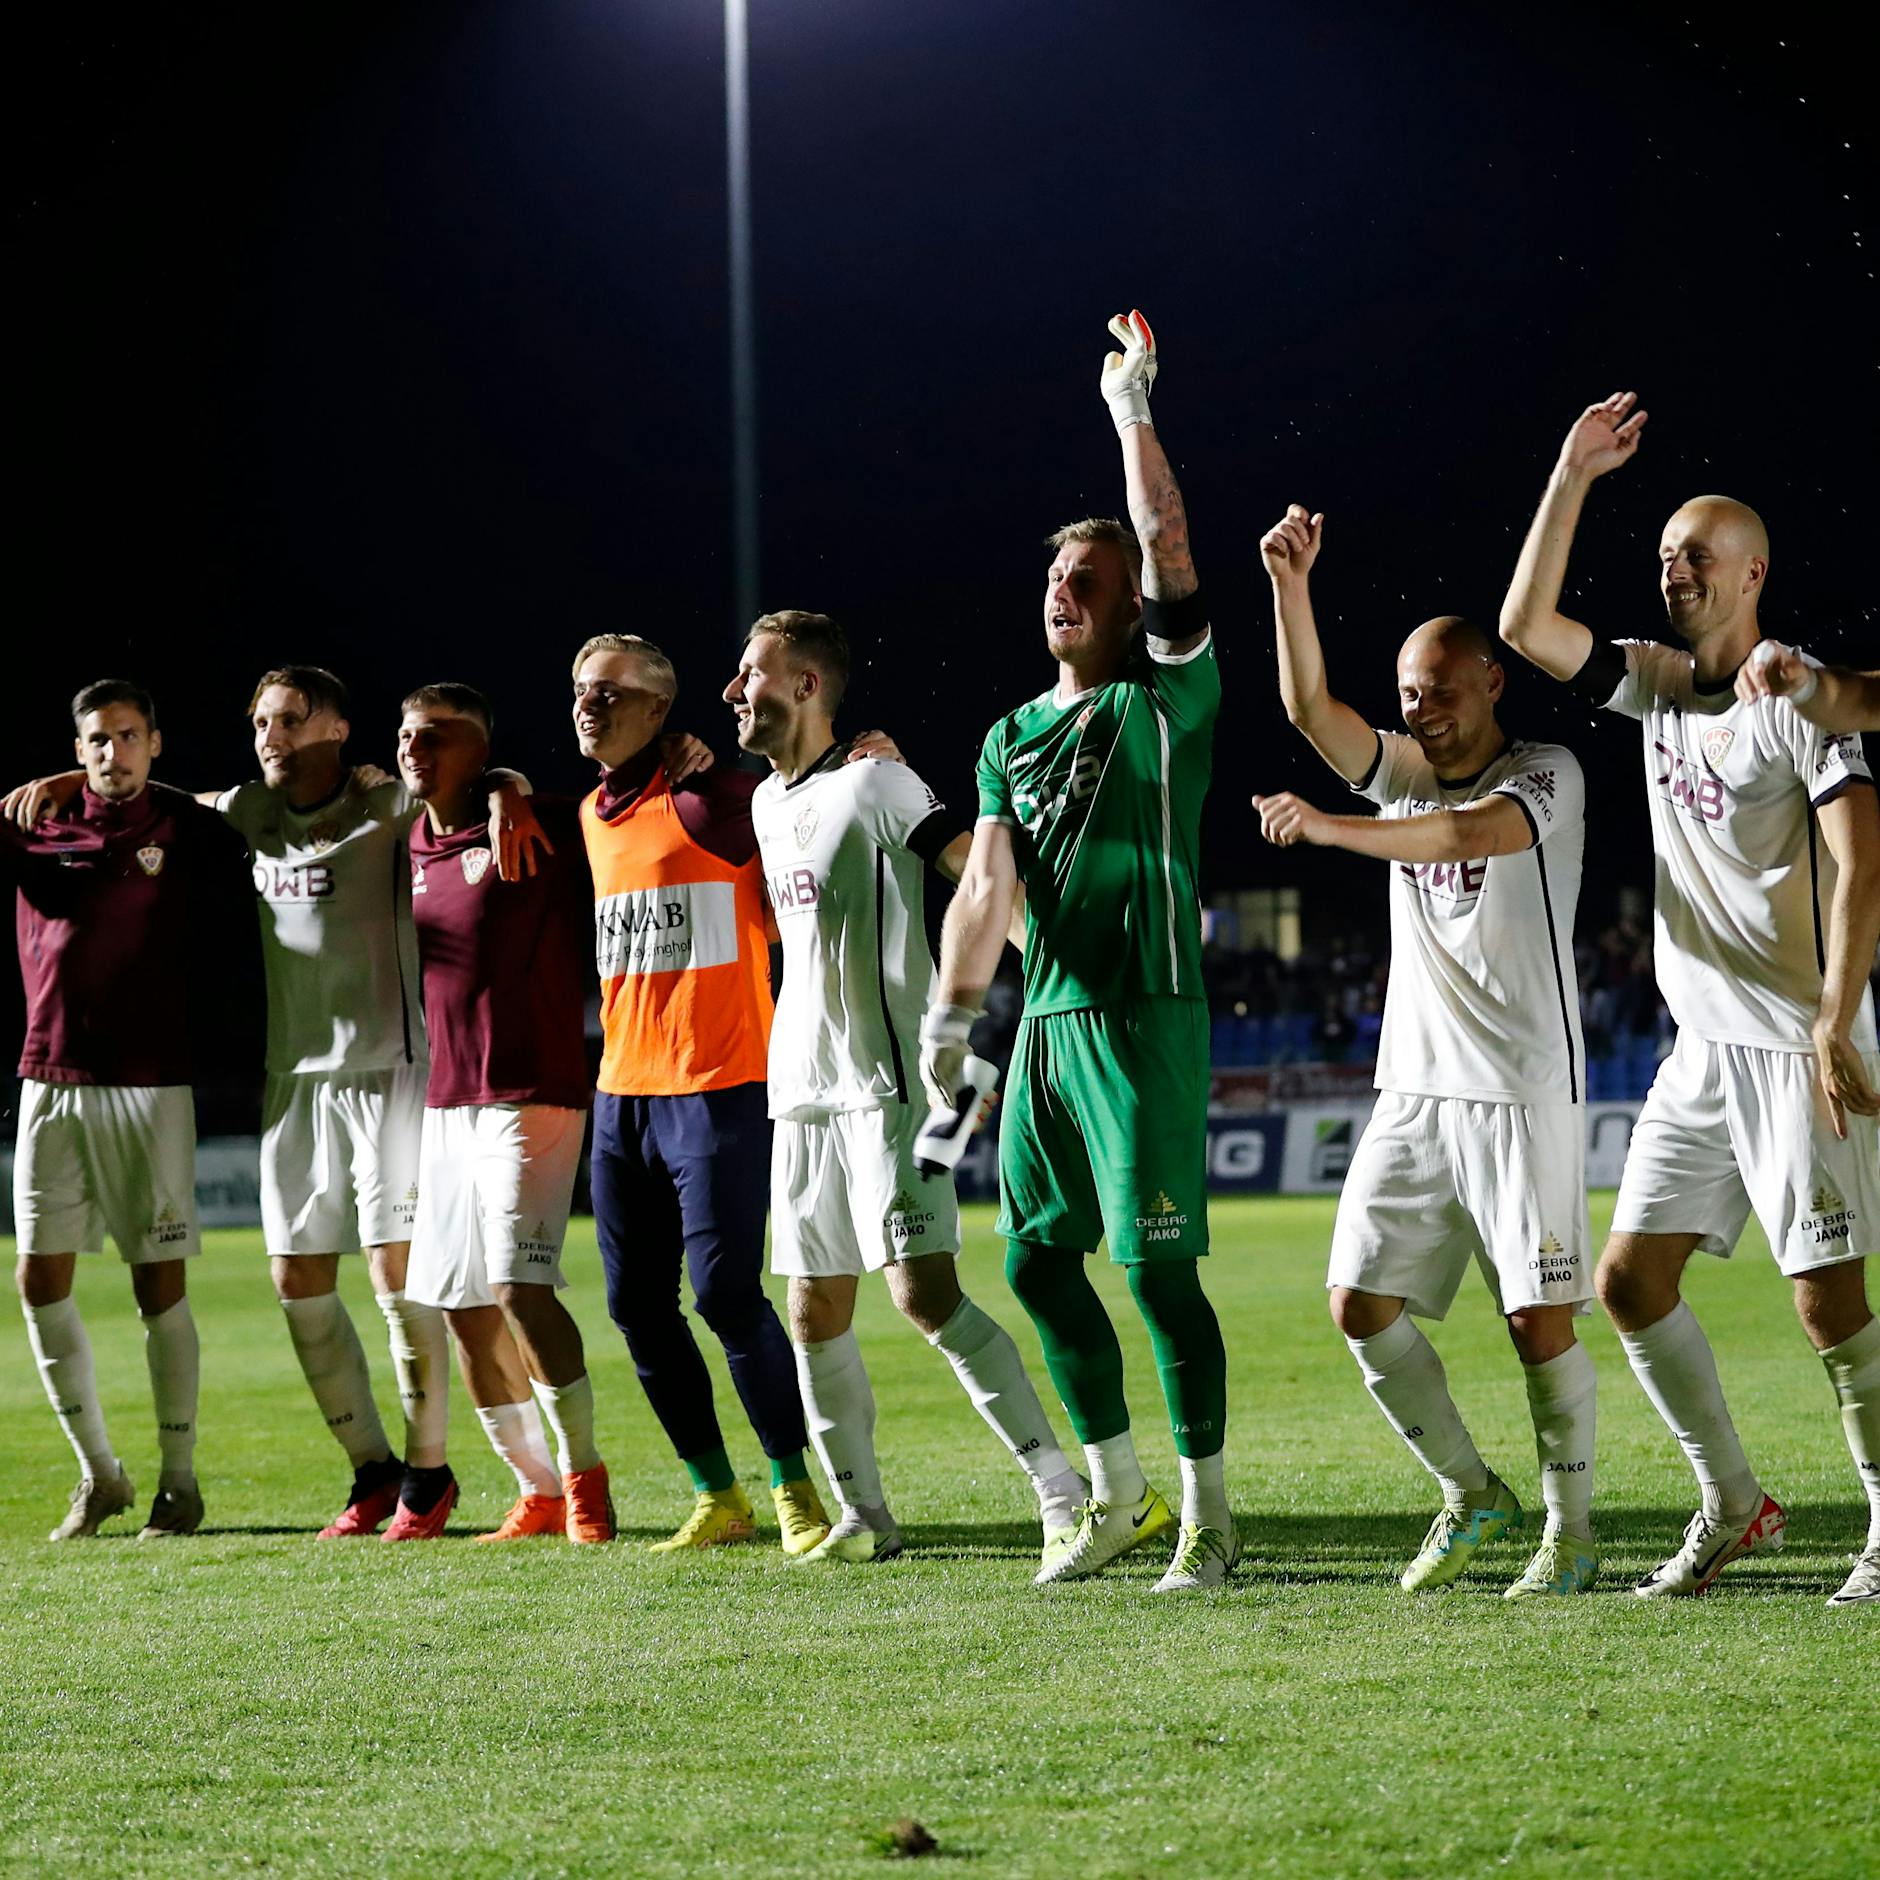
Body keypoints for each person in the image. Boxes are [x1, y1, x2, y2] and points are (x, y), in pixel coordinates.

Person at [5, 664, 546, 1535]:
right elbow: (147, 791)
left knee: (395, 1277)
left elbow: (471, 782)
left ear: (337, 730)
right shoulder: (248, 811)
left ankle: (428, 1474)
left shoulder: (387, 804)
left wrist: (510, 787)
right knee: (296, 1280)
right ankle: (371, 1468)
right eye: (261, 722)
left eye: (291, 721)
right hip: (293, 1081)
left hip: (388, 1070)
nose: (271, 737)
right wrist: (78, 777)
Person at [1499, 392, 1880, 1605]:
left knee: (1824, 1300)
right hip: (1701, 1048)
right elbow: (1522, 627)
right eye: (1665, 554)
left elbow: (1862, 862)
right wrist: (1570, 474)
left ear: (1752, 572)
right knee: (1625, 1279)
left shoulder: (1795, 701)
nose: (1674, 570)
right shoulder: (1656, 683)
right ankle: (1730, 1503)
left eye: (1698, 555)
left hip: (1798, 1041)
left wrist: (1834, 1014)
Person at [924, 312, 1233, 1592]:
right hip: (1046, 1026)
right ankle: (1116, 1499)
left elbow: (1165, 538)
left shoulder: (1164, 698)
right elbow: (985, 881)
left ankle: (1210, 1519)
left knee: (1155, 1271)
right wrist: (952, 1020)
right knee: (1032, 1264)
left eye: (1089, 578)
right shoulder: (1006, 734)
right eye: (1056, 574)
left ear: (1131, 603)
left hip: (1144, 1010)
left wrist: (1128, 410)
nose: (1066, 589)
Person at [1253, 506, 1598, 1597]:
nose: (1422, 710)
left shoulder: (1548, 771)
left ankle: (1571, 1533)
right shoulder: (1402, 772)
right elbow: (1310, 708)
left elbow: (1465, 833)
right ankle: (1470, 1491)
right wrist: (1290, 585)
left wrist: (1325, 827)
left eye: (1442, 689)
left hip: (1522, 1089)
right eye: (1409, 694)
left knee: (1534, 1320)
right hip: (1411, 1092)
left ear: (1492, 682)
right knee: (1358, 1302)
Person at [725, 610, 1084, 1566]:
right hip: (801, 1093)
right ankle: (864, 1515)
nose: (733, 690)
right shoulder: (764, 803)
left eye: (751, 672)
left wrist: (1060, 975)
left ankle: (1063, 1493)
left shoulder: (877, 781)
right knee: (812, 1310)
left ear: (806, 685)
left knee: (925, 1296)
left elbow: (979, 880)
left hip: (894, 1088)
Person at [572, 632, 830, 1554]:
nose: (589, 704)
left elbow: (809, 804)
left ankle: (796, 1489)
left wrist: (862, 753)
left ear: (659, 709)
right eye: (581, 690)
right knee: (637, 1309)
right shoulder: (590, 813)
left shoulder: (718, 801)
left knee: (724, 1294)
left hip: (720, 1085)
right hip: (621, 1096)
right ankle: (717, 1495)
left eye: (610, 692)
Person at [3, 680, 252, 1539]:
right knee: (37, 1280)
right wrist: (57, 790)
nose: (115, 752)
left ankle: (178, 1483)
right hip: (49, 1079)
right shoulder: (32, 821)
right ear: (78, 750)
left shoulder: (179, 823)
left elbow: (249, 808)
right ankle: (100, 1474)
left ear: (155, 743)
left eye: (129, 735)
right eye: (98, 741)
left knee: (159, 1285)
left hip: (150, 1086)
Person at [395, 683, 613, 1543]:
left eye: (436, 736)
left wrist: (510, 789)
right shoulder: (411, 836)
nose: (414, 749)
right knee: (461, 1306)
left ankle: (585, 1479)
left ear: (480, 750)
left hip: (533, 1089)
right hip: (448, 1100)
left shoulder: (540, 822)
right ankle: (537, 1489)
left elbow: (620, 798)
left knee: (521, 1287)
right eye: (407, 735)